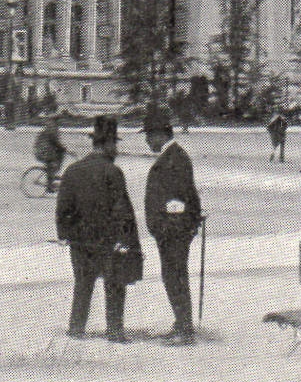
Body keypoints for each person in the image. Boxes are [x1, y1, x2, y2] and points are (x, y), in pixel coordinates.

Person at [55, 115, 142, 343]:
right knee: (114, 285)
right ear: (108, 144)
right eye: (115, 144)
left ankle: (76, 328)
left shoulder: (72, 170)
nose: (117, 150)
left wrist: (65, 234)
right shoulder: (112, 172)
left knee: (83, 284)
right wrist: (126, 238)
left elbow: (63, 207)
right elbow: (121, 209)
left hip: (80, 241)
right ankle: (114, 331)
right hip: (108, 241)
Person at [143, 107, 203, 346]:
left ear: (160, 134)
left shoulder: (174, 158)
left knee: (175, 277)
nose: (147, 141)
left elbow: (182, 198)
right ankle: (181, 324)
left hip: (173, 232)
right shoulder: (173, 156)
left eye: (149, 135)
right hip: (172, 231)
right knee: (174, 277)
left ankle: (184, 329)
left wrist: (168, 227)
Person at [33, 115, 68, 193]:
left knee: (55, 161)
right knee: (53, 162)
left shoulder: (51, 126)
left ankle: (52, 177)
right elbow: (55, 140)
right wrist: (62, 148)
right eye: (59, 120)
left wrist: (61, 148)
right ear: (56, 120)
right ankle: (50, 185)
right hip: (44, 151)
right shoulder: (52, 128)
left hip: (44, 150)